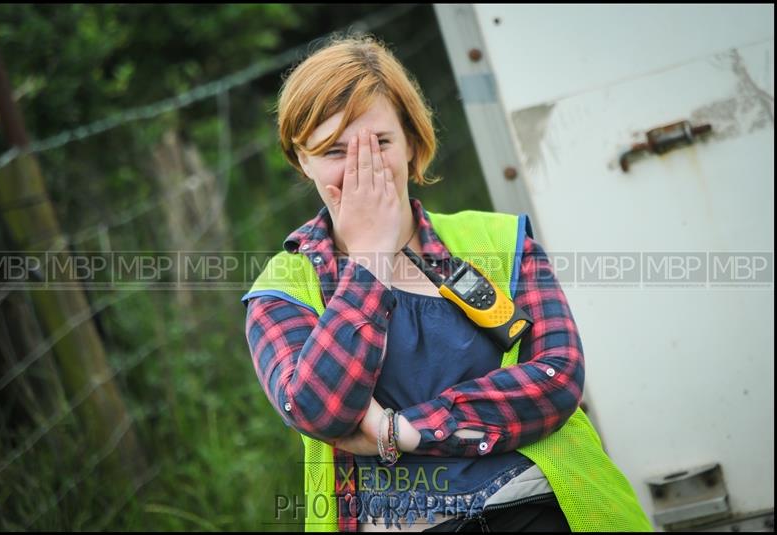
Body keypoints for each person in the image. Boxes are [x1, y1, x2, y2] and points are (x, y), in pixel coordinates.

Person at [242, 34, 652, 533]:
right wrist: (370, 259)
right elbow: (320, 410)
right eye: (333, 150)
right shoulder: (282, 289)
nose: (361, 168)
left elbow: (558, 376)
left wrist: (405, 431)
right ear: (301, 160)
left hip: (540, 507)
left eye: (380, 144)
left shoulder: (497, 239)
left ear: (412, 142)